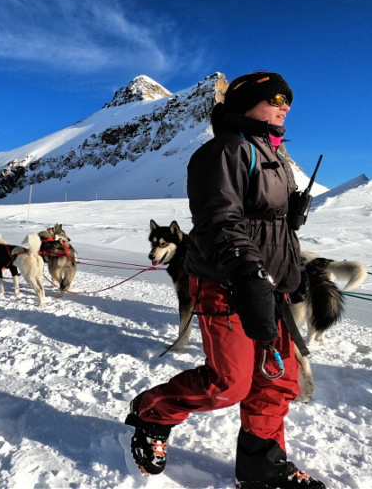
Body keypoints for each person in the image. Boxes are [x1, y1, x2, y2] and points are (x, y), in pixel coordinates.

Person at [124, 71, 326, 489]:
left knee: (278, 379)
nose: (285, 105)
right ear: (243, 105)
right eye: (274, 98)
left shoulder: (274, 155)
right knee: (228, 384)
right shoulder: (224, 151)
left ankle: (262, 468)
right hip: (228, 282)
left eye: (288, 99)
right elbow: (220, 222)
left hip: (270, 283)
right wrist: (250, 275)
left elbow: (271, 229)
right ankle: (151, 413)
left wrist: (292, 271)